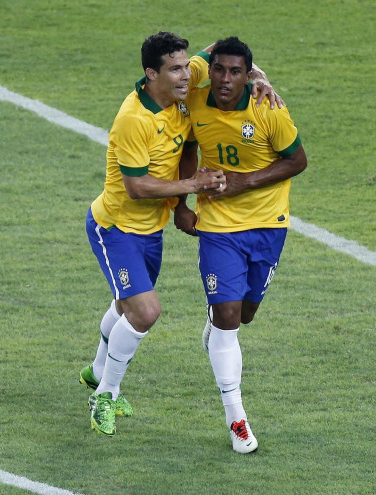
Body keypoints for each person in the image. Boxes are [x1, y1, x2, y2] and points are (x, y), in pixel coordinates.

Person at [80, 32, 281, 437]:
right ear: (151, 74)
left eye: (185, 66)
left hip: (149, 231)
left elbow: (221, 54)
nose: (186, 76)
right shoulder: (134, 119)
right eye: (174, 69)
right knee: (145, 311)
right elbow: (137, 187)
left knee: (126, 306)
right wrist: (192, 188)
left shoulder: (186, 78)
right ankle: (105, 394)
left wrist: (259, 76)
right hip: (117, 227)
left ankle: (97, 368)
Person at [177, 36, 307, 453]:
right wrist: (181, 202)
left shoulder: (268, 107)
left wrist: (243, 182)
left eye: (236, 72)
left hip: (268, 225)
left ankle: (217, 328)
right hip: (216, 224)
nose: (225, 79)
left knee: (244, 314)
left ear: (249, 75)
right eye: (219, 70)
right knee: (229, 315)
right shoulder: (196, 102)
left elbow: (297, 160)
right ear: (209, 69)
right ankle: (237, 421)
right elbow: (189, 147)